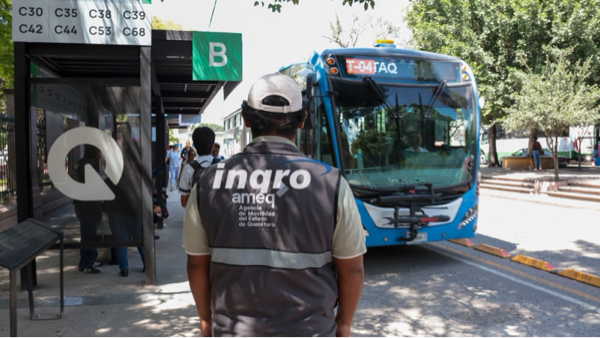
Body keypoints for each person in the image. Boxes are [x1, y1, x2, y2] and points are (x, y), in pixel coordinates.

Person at [183, 73, 366, 337]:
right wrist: (344, 324)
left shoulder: (208, 182)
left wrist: (205, 320)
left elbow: (196, 264)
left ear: (245, 119)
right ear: (302, 120)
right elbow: (352, 267)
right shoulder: (332, 183)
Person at [71, 146, 106, 274]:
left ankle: (92, 259)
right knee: (88, 235)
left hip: (82, 204)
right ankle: (85, 264)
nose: (100, 156)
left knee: (89, 234)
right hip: (87, 206)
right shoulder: (87, 168)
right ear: (95, 155)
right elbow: (93, 190)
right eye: (99, 153)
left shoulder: (80, 163)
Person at [179, 127, 215, 208]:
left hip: (196, 217)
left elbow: (184, 202)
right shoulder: (224, 166)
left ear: (194, 146)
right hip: (219, 217)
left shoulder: (188, 168)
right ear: (213, 145)